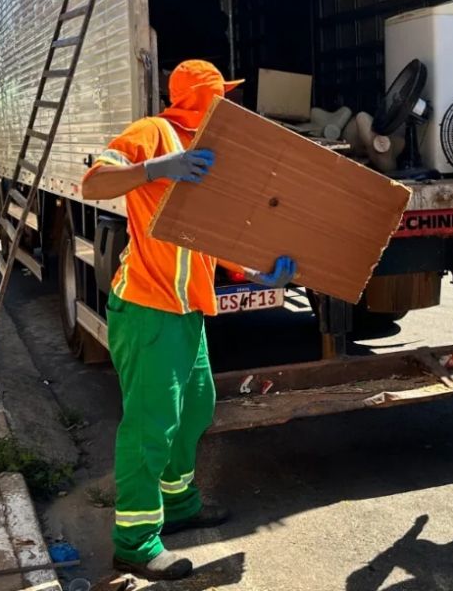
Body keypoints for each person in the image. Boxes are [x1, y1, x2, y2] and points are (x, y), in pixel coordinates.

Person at [81, 59, 296, 581]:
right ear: (201, 96)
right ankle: (133, 542)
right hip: (148, 308)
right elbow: (93, 184)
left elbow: (209, 232)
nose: (229, 104)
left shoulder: (211, 152)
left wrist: (253, 273)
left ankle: (178, 507)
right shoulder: (153, 133)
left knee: (195, 410)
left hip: (186, 310)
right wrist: (156, 168)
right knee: (151, 426)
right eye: (221, 95)